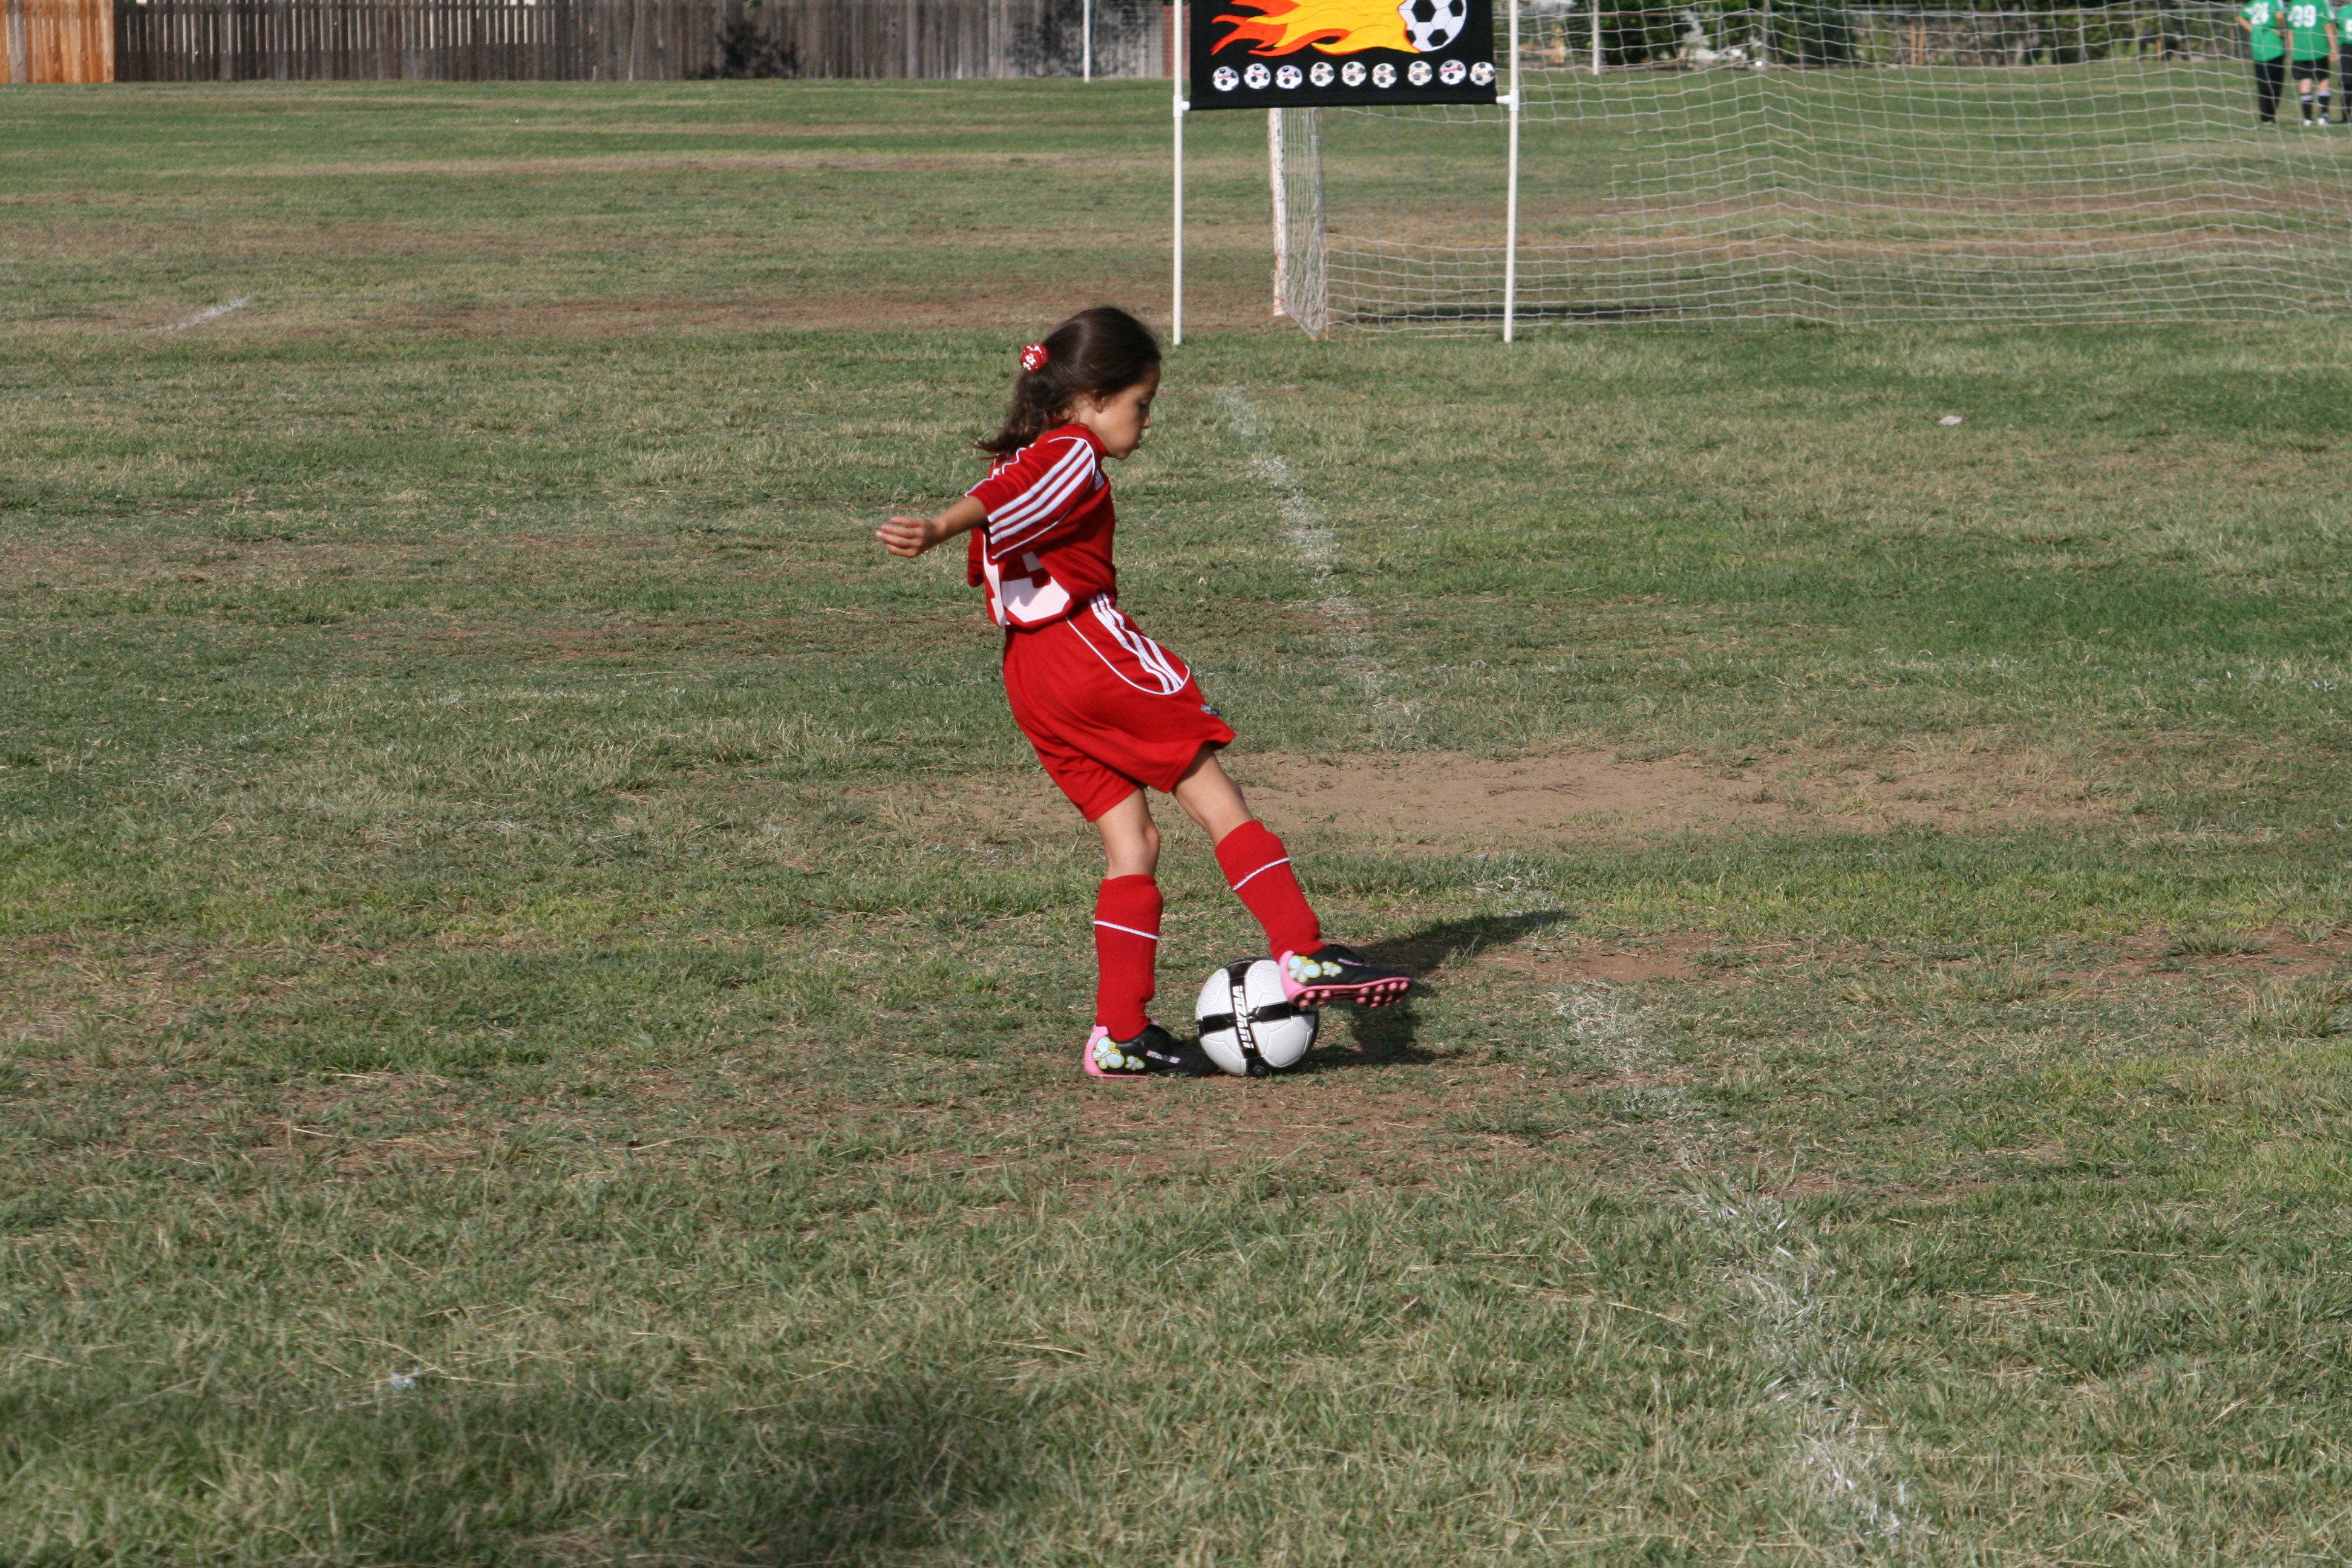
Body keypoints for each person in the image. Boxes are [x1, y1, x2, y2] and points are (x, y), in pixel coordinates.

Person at [875, 307, 1411, 1079]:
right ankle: (1302, 951)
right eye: (1141, 403)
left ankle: (1120, 1033)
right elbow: (1018, 493)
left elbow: (1010, 497)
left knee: (1133, 843)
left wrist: (950, 524)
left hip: (1030, 674)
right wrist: (938, 527)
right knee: (1214, 796)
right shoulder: (1071, 450)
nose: (1147, 421)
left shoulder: (1026, 451)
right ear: (1093, 398)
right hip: (1087, 653)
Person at [2284, 0, 2333, 122]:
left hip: (2300, 49)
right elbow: (2328, 25)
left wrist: (2292, 51)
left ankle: (2308, 118)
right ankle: (2323, 116)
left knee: (2305, 81)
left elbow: (2290, 31)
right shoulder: (2321, 2)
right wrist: (2333, 48)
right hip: (2319, 47)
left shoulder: (2294, 3)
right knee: (2323, 80)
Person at [2244, 0, 2288, 123]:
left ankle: (2266, 118)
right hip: (2273, 47)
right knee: (2275, 84)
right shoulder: (2276, 1)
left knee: (2263, 85)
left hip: (2258, 48)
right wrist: (2283, 31)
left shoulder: (2255, 2)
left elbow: (2241, 17)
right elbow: (2280, 16)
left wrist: (2254, 30)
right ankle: (2270, 117)